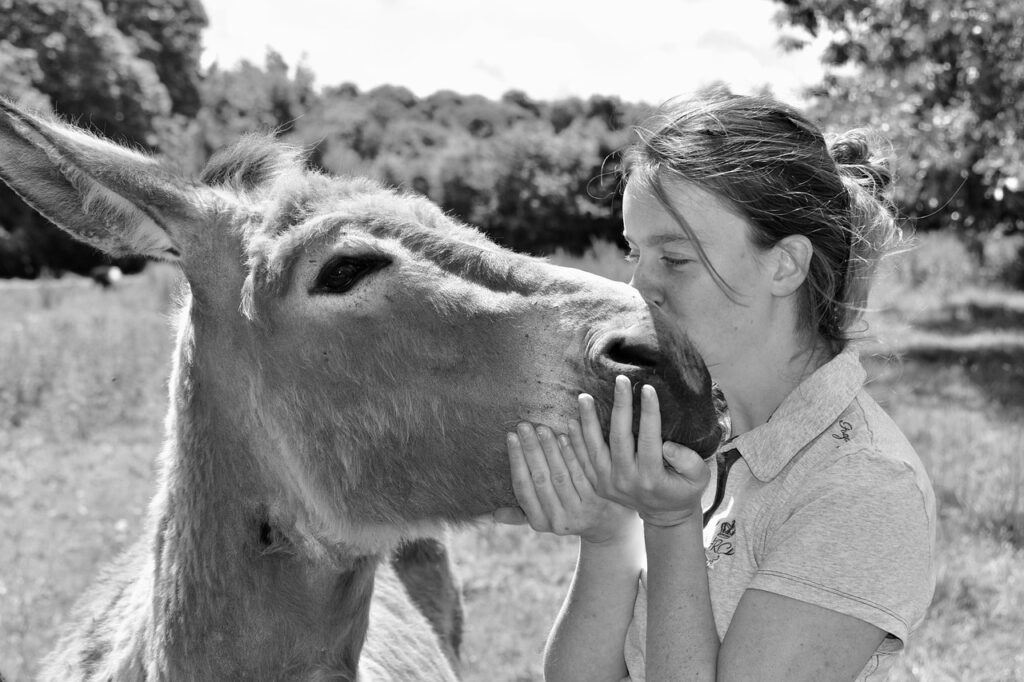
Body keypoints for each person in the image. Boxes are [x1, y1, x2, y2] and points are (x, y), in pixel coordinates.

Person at [493, 92, 936, 681]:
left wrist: (670, 524)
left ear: (784, 265)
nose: (637, 285)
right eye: (635, 251)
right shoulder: (698, 440)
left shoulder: (863, 486)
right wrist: (608, 535)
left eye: (674, 258)